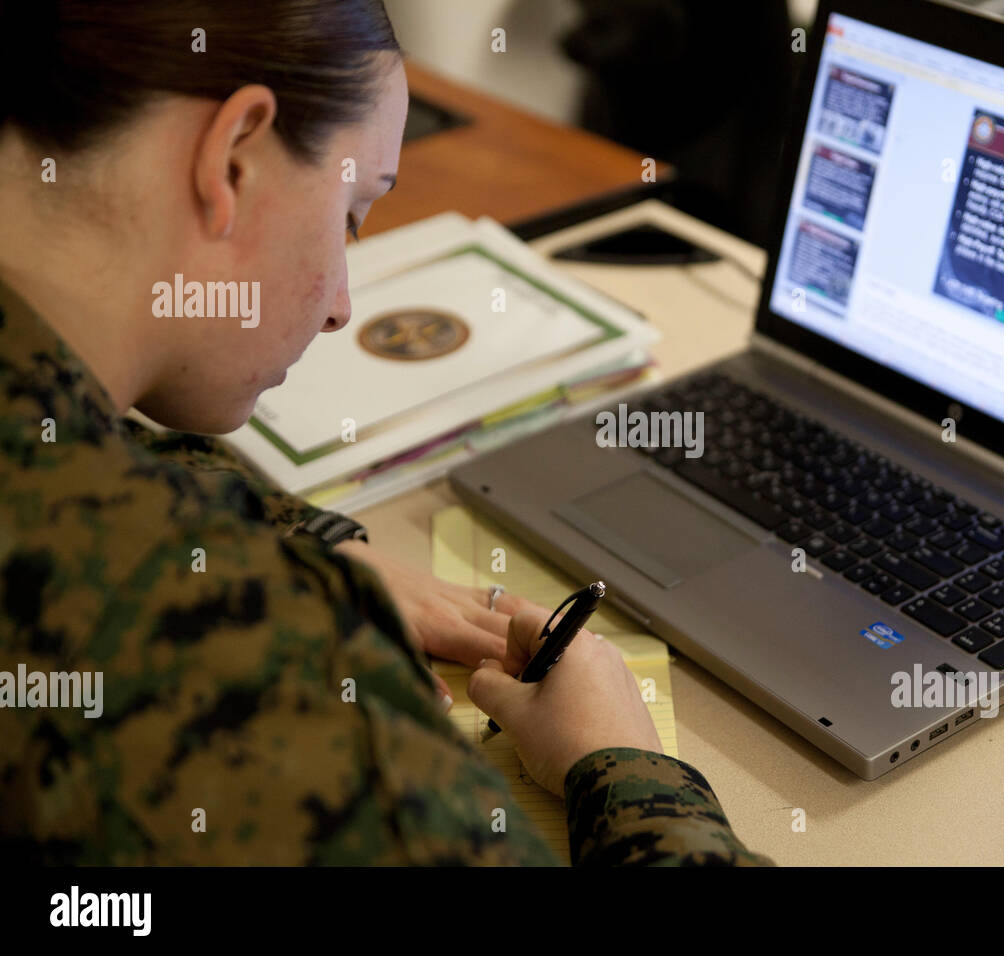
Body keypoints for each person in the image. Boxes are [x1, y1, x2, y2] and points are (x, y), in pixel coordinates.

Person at [0, 0, 773, 866]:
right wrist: (626, 770)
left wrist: (291, 539)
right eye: (351, 216)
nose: (341, 306)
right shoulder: (237, 669)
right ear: (233, 159)